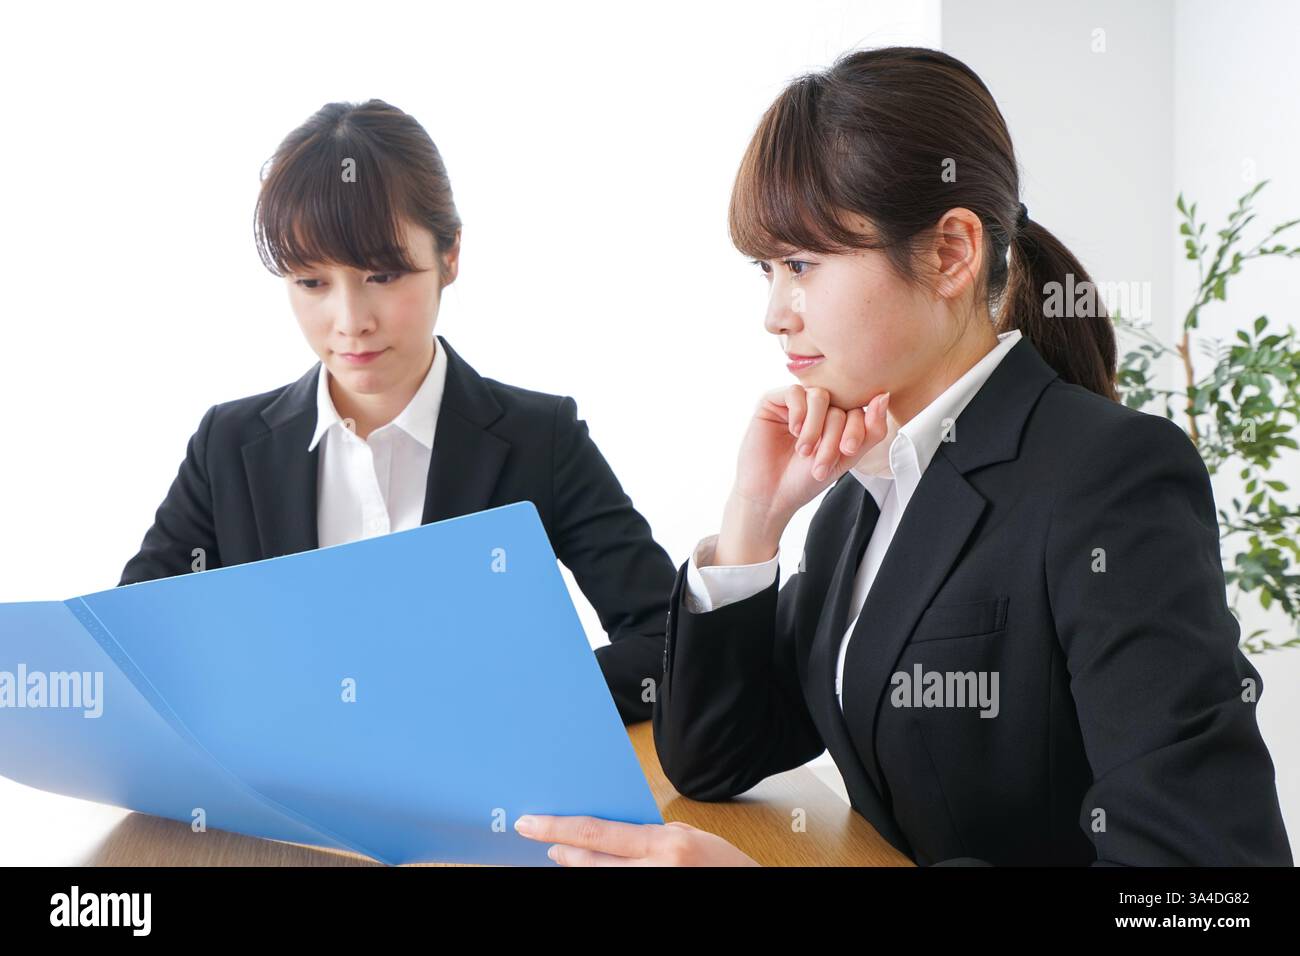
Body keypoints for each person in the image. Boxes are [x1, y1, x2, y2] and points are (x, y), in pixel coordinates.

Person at [513, 46, 1293, 864]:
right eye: (767, 270)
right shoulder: (863, 494)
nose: (776, 313)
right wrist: (753, 521)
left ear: (951, 253)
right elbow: (715, 757)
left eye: (803, 265)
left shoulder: (1112, 476)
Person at [117, 99, 676, 725]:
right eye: (311, 283)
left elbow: (666, 644)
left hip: (477, 807)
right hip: (281, 813)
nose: (350, 321)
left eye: (382, 276)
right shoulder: (227, 446)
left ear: (450, 255)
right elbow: (130, 647)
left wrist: (516, 699)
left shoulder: (541, 440)